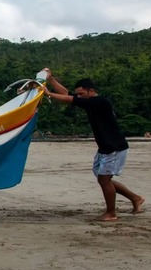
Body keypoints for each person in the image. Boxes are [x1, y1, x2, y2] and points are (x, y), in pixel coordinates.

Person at [41, 69, 145, 221]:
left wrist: (48, 94)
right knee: (103, 179)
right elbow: (68, 94)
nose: (79, 96)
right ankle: (135, 198)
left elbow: (69, 99)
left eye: (82, 94)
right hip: (104, 147)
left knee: (104, 180)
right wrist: (51, 80)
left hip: (114, 147)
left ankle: (111, 213)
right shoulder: (88, 100)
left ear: (91, 91)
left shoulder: (100, 101)